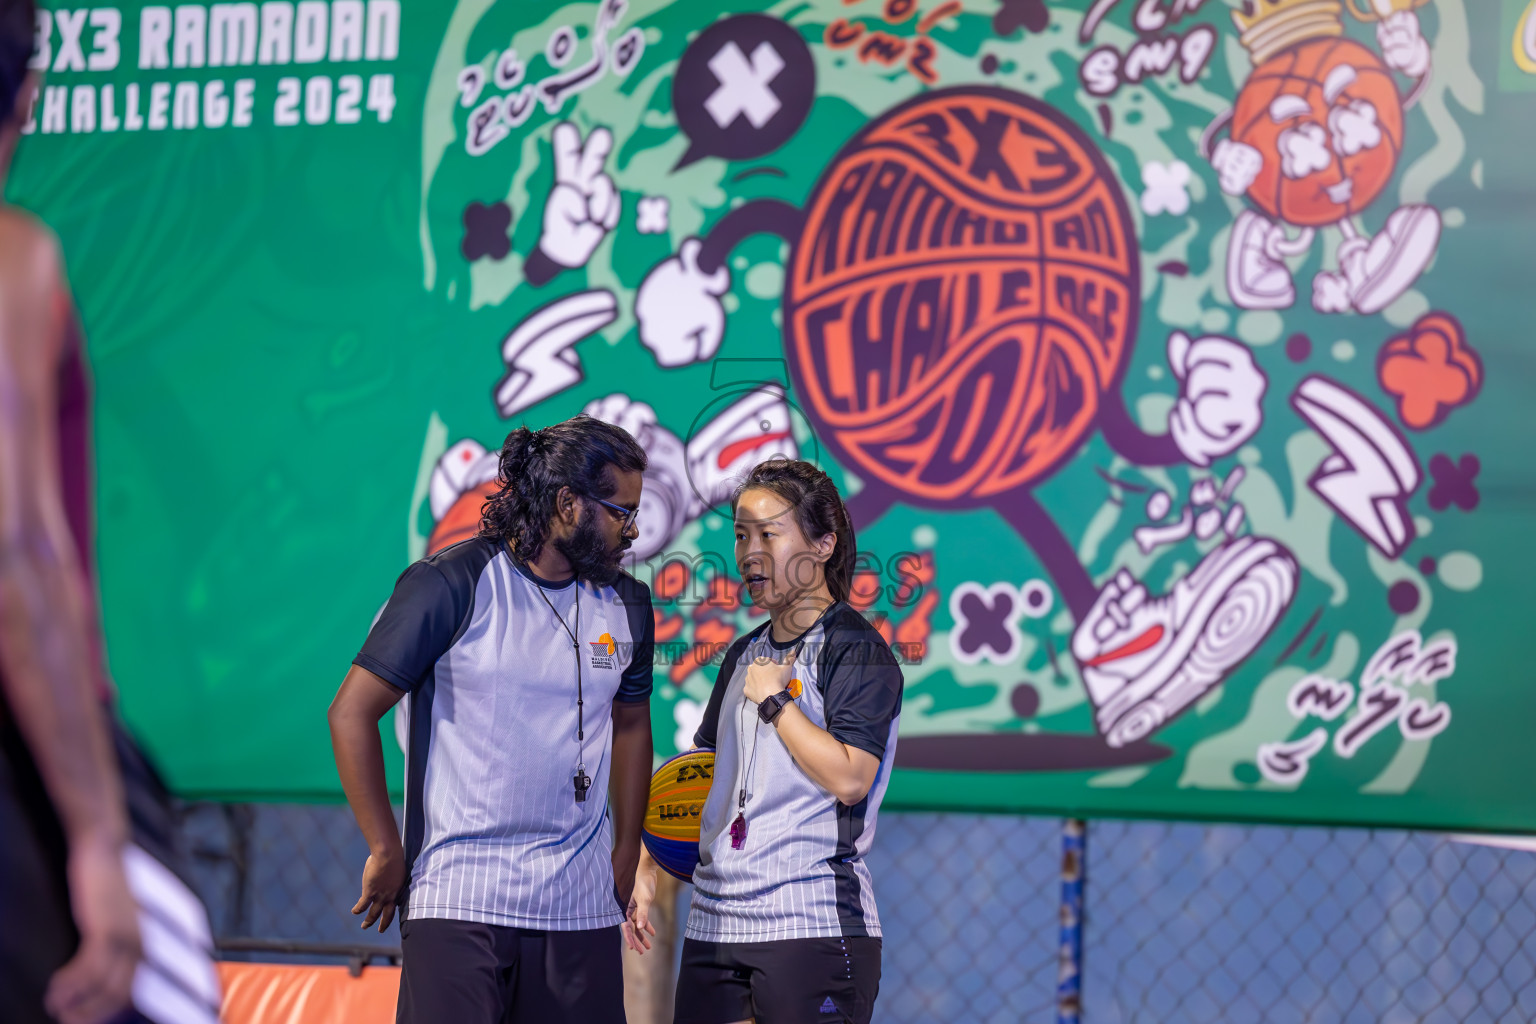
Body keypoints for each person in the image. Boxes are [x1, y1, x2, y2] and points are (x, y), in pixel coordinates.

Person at [0, 1, 221, 1020]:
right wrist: (94, 835)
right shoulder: (13, 255)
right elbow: (17, 548)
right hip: (30, 760)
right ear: (32, 91)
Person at [329, 414, 656, 1024]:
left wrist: (627, 849)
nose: (632, 531)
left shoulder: (627, 603)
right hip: (460, 898)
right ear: (566, 503)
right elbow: (351, 712)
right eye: (620, 512)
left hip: (579, 907)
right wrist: (384, 846)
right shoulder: (450, 583)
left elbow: (632, 725)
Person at [626, 457, 904, 1024]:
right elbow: (703, 775)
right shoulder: (744, 654)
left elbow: (851, 778)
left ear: (823, 544)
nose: (750, 552)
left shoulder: (856, 649)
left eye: (769, 534)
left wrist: (779, 704)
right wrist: (649, 863)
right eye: (740, 535)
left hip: (812, 928)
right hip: (715, 929)